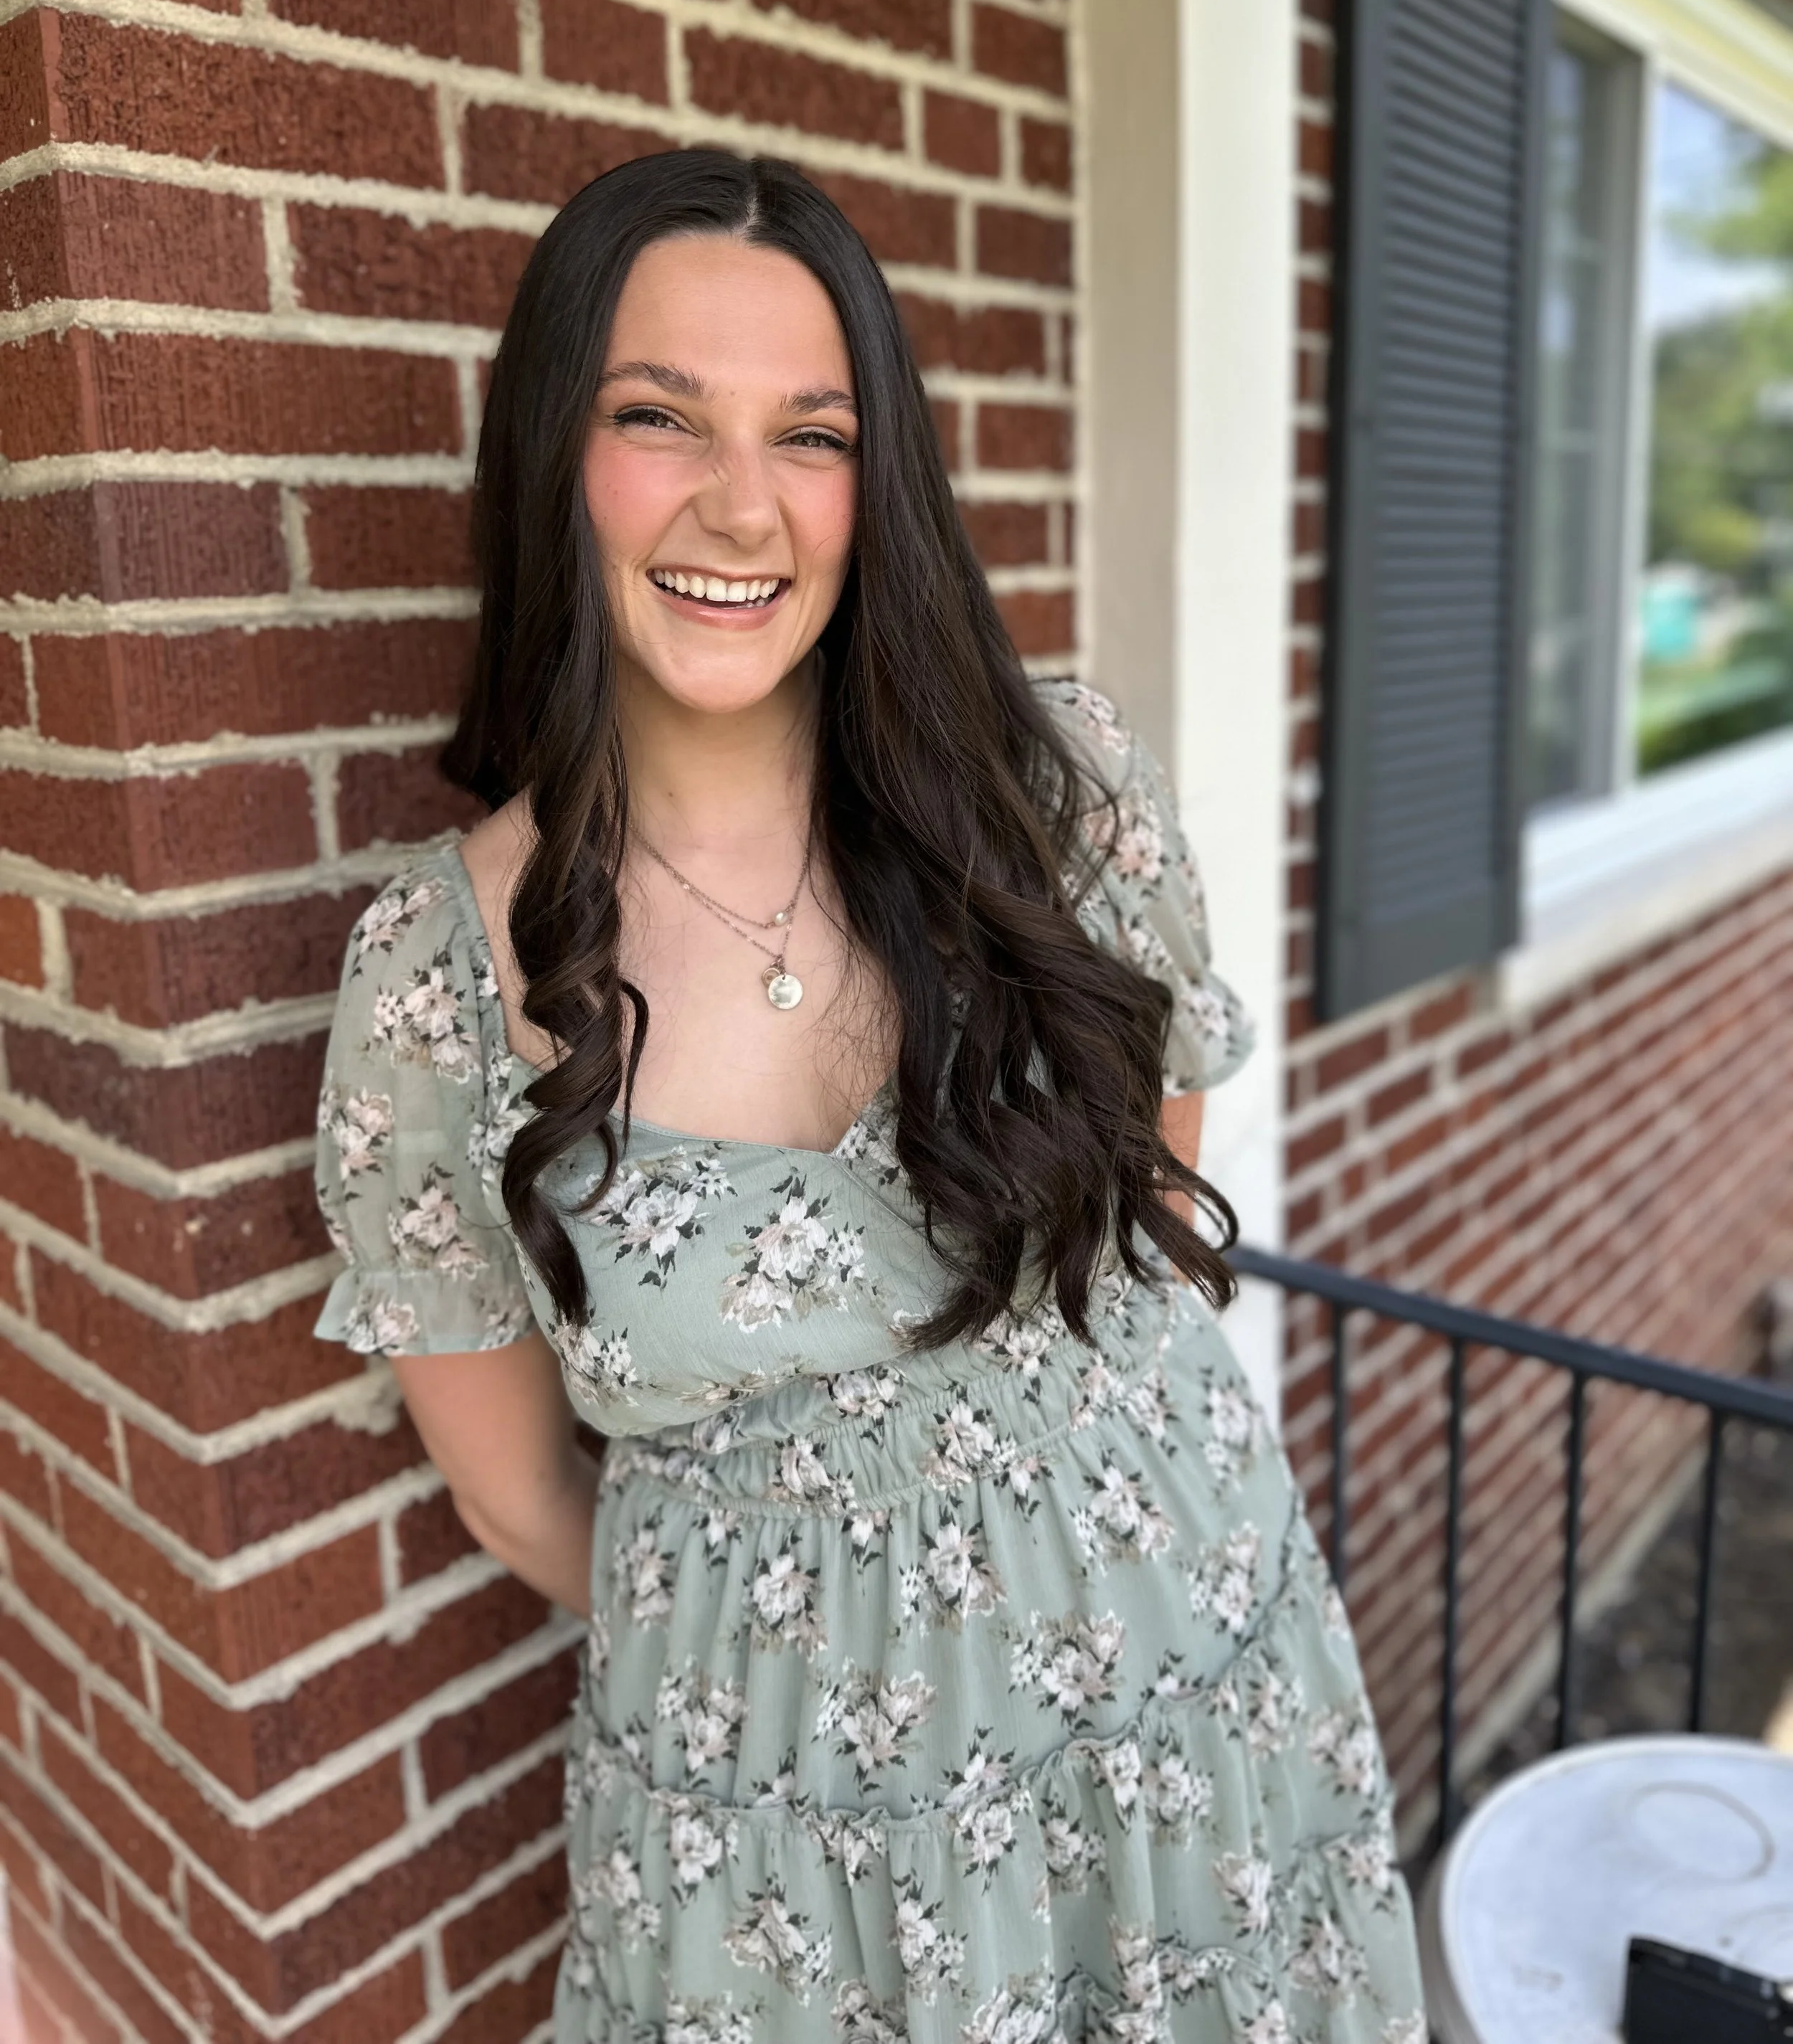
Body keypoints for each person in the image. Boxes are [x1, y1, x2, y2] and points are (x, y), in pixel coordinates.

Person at [313, 148, 1427, 2043]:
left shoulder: (1057, 796)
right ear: (551, 457)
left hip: (1177, 1720)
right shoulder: (439, 972)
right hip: (784, 1844)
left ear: (874, 479)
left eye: (809, 436)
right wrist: (809, 1634)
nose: (739, 503)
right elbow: (515, 1498)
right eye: (659, 417)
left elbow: (1143, 1235)